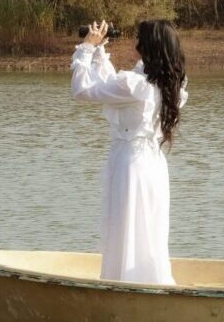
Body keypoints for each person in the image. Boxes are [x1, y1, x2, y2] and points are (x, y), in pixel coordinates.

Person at [70, 19, 187, 285]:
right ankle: (146, 282)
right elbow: (112, 85)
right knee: (147, 229)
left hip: (130, 164)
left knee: (126, 227)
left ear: (146, 46)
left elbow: (81, 91)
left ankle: (124, 283)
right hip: (153, 164)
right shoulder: (170, 84)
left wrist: (86, 48)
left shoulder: (134, 85)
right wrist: (100, 52)